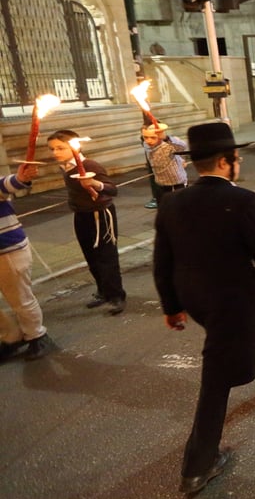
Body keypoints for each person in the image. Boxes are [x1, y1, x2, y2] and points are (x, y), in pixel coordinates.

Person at [155, 122, 255, 496]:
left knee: (251, 325)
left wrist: (171, 306)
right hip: (227, 299)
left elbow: (162, 260)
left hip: (195, 298)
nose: (240, 162)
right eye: (236, 157)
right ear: (225, 162)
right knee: (217, 377)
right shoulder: (242, 200)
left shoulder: (172, 202)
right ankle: (198, 465)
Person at [46, 130, 126, 315]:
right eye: (52, 149)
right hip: (81, 214)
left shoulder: (89, 165)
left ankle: (116, 296)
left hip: (100, 214)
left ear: (75, 146)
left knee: (106, 256)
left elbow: (112, 190)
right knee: (90, 256)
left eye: (60, 148)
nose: (55, 153)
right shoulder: (65, 166)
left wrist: (95, 184)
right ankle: (103, 291)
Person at [0, 163, 52, 361]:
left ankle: (37, 335)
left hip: (8, 250)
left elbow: (6, 184)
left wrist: (20, 179)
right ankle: (11, 335)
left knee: (20, 299)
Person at [141, 124, 188, 209]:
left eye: (152, 137)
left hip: (176, 184)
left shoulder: (168, 145)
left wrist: (166, 138)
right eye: (145, 137)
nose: (148, 141)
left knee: (179, 210)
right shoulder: (146, 144)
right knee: (163, 210)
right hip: (160, 184)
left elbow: (182, 146)